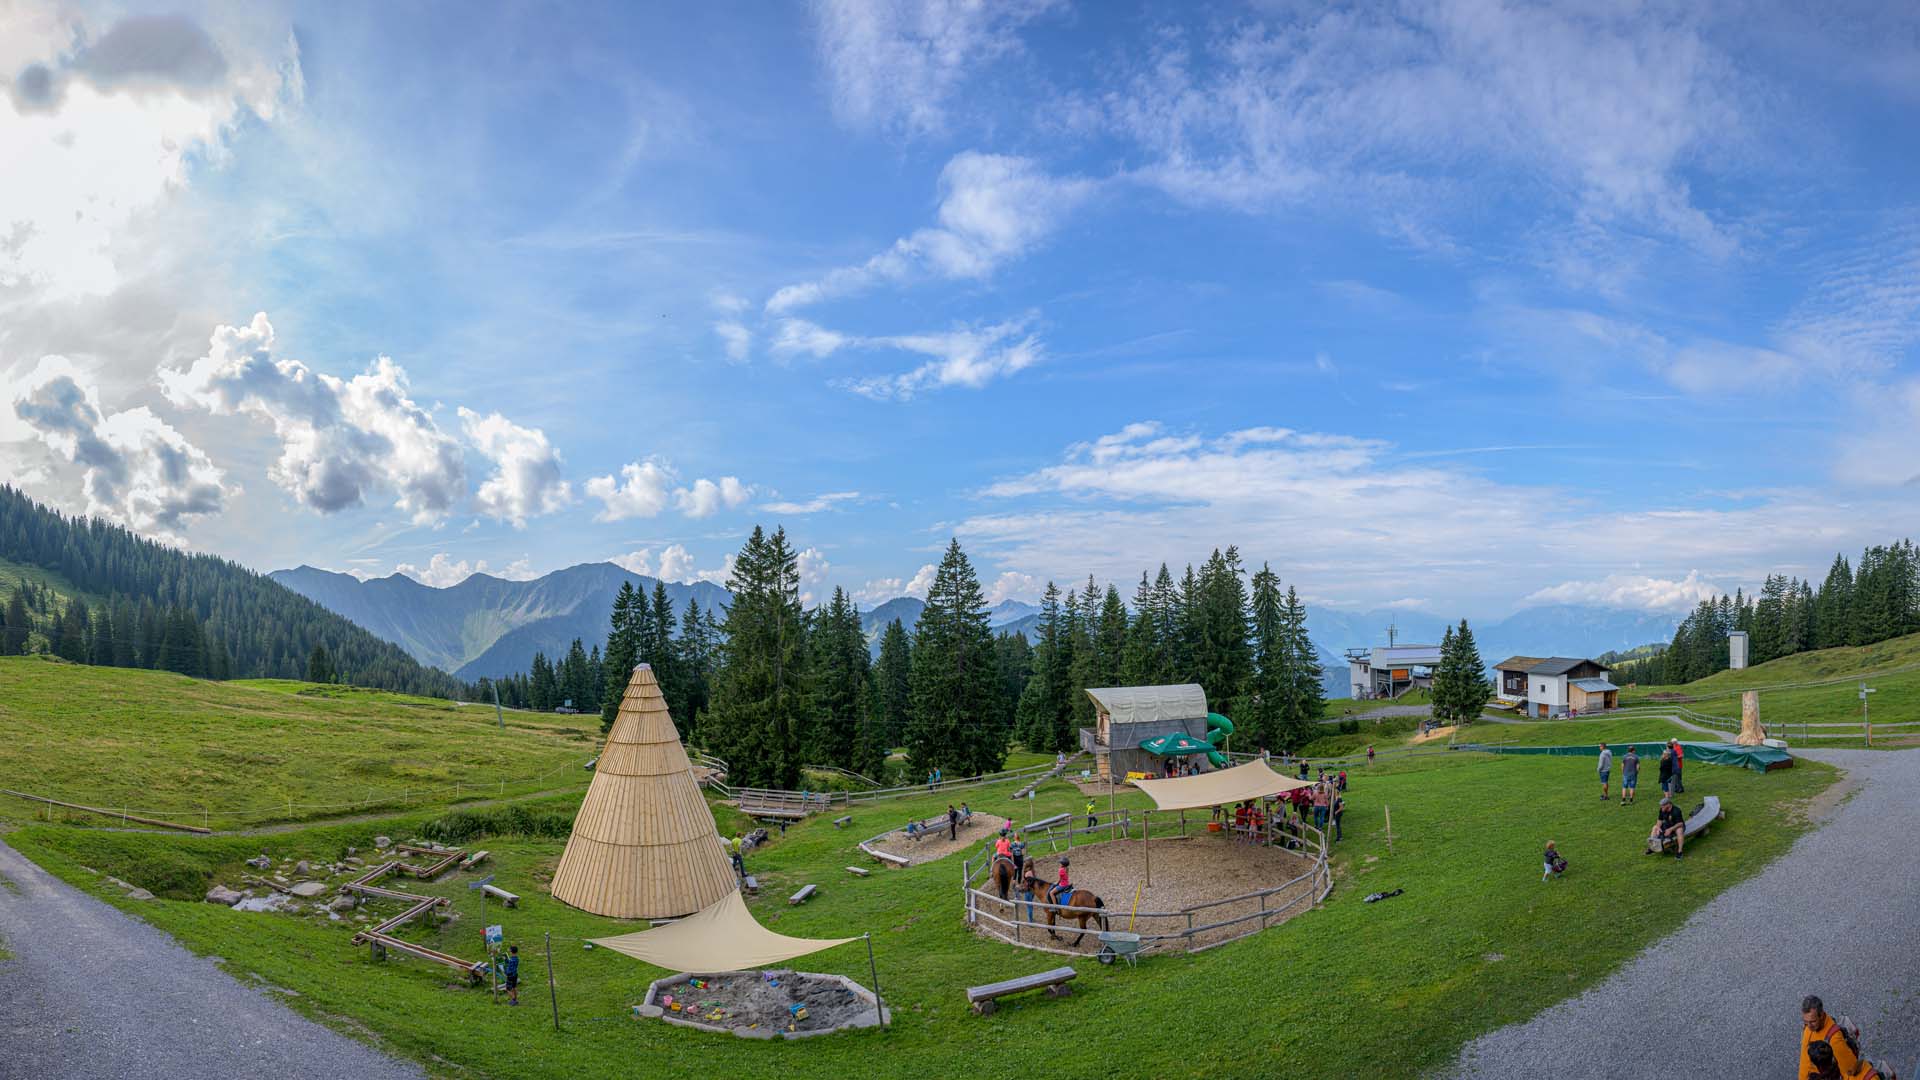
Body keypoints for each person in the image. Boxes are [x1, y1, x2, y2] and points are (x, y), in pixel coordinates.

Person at [1800, 995, 1864, 1080]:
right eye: (1805, 1021)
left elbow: (1850, 1069)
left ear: (1821, 1015)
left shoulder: (1834, 1039)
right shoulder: (1809, 1027)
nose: (1809, 1026)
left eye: (1813, 1021)